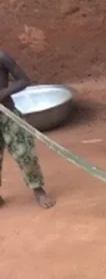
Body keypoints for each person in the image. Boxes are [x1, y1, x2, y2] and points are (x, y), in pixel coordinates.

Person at [0, 51, 55, 209]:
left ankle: (38, 189)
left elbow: (24, 80)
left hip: (8, 114)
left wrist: (4, 92)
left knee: (25, 153)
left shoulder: (2, 57)